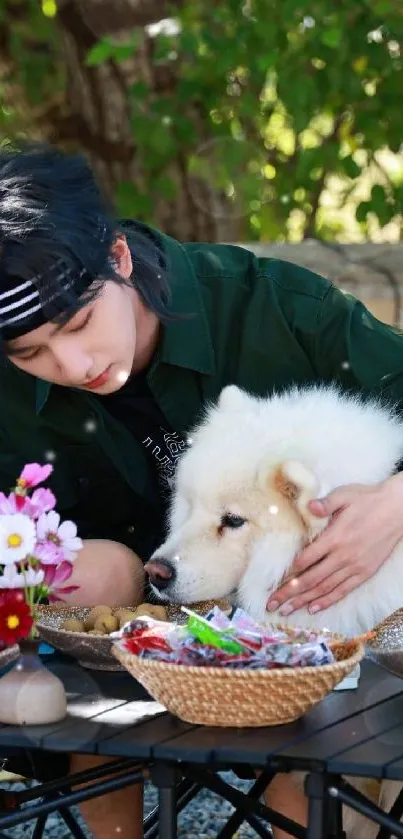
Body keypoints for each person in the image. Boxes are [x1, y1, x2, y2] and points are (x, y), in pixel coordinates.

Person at [1, 141, 403, 839]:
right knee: (88, 573)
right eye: (29, 352)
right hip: (123, 649)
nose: (71, 364)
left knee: (299, 805)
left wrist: (395, 503)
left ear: (120, 259)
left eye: (77, 323)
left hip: (323, 627)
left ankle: (312, 797)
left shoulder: (275, 306)